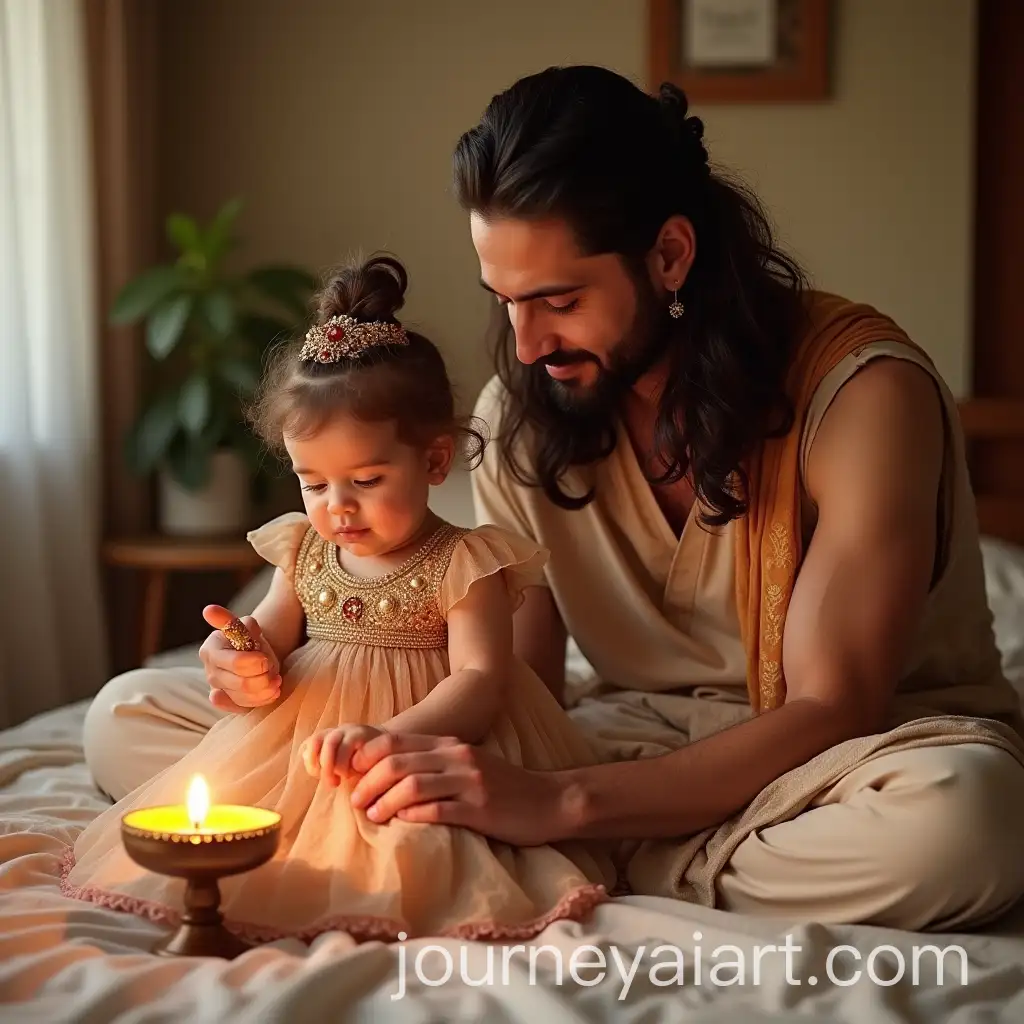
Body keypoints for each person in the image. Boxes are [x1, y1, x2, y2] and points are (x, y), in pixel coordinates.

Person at [81, 66, 1024, 935]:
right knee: (127, 719)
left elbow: (834, 705)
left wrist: (559, 808)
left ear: (669, 254)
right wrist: (271, 682)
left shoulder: (861, 394)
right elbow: (512, 688)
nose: (528, 342)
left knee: (963, 826)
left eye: (560, 300)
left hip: (832, 768)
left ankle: (573, 850)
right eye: (506, 301)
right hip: (610, 740)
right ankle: (597, 849)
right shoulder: (525, 413)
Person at [62, 255, 617, 943]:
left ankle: (341, 826)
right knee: (124, 714)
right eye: (313, 483)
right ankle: (301, 810)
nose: (338, 508)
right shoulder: (303, 548)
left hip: (422, 738)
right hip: (305, 734)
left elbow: (483, 680)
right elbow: (269, 631)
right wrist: (243, 654)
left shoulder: (464, 559)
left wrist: (391, 740)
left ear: (435, 462)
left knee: (407, 821)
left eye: (366, 479)